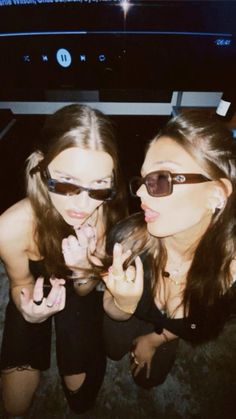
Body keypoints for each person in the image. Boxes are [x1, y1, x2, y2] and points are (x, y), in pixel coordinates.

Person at [0, 104, 127, 416]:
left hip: (78, 281)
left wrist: (85, 270)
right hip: (37, 280)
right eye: (68, 183)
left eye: (98, 187)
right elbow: (20, 283)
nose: (83, 205)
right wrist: (31, 313)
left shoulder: (104, 215)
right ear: (41, 167)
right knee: (14, 407)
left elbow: (86, 290)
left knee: (80, 400)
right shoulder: (9, 228)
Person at [103, 110, 236, 389]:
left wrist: (157, 338)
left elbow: (202, 325)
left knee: (148, 381)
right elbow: (110, 304)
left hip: (166, 330)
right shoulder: (128, 241)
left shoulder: (230, 273)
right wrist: (123, 304)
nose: (139, 193)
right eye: (142, 180)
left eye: (161, 178)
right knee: (113, 347)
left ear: (217, 194)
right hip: (129, 311)